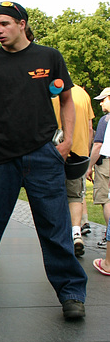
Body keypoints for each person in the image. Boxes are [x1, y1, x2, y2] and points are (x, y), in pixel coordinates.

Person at [0, 1, 87, 320]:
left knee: (55, 227)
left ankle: (72, 293)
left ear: (22, 24)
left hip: (44, 155)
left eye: (4, 24)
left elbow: (66, 99)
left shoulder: (48, 57)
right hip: (3, 158)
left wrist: (68, 139)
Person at [52, 84, 94, 257]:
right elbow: (90, 128)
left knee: (54, 195)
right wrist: (86, 149)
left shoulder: (52, 93)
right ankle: (76, 232)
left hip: (55, 152)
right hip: (79, 154)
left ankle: (58, 236)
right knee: (75, 196)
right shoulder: (83, 94)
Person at [86, 87, 110, 248]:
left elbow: (98, 145)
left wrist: (89, 167)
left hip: (106, 164)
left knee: (106, 200)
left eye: (103, 99)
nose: (101, 103)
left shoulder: (105, 120)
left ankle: (108, 237)